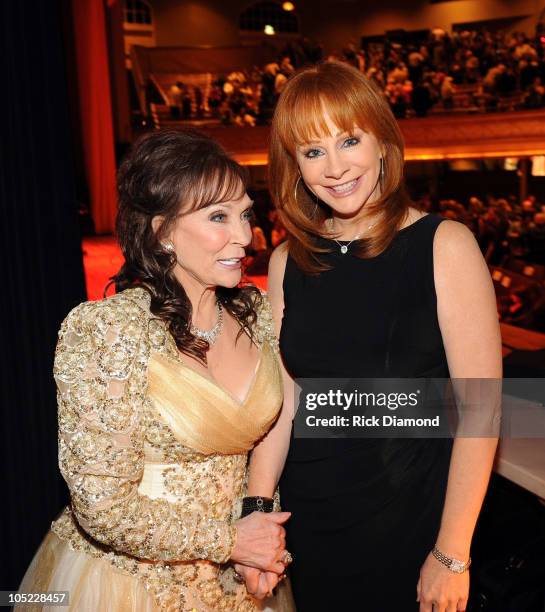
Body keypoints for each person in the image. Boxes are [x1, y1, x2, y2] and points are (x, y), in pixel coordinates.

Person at [245, 62, 502, 611]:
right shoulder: (288, 261)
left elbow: (480, 411)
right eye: (313, 152)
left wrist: (451, 552)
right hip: (312, 519)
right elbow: (286, 400)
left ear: (383, 143)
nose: (334, 168)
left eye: (349, 140)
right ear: (294, 166)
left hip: (411, 521)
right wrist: (257, 509)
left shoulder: (444, 244)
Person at [16, 129, 296, 611]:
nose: (245, 236)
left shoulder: (257, 312)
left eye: (245, 213)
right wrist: (231, 542)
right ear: (162, 231)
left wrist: (258, 524)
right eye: (218, 217)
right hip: (128, 587)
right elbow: (102, 507)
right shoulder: (105, 332)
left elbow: (280, 416)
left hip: (241, 582)